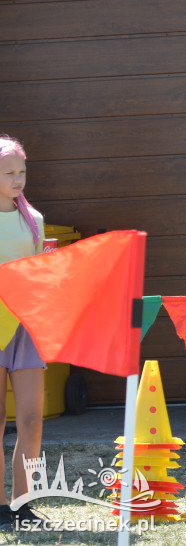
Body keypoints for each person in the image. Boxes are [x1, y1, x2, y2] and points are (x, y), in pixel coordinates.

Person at [0, 136, 46, 530]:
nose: (19, 179)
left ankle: (22, 503)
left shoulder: (35, 220)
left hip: (26, 326)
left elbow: (38, 277)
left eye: (23, 172)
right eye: (9, 172)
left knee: (32, 420)